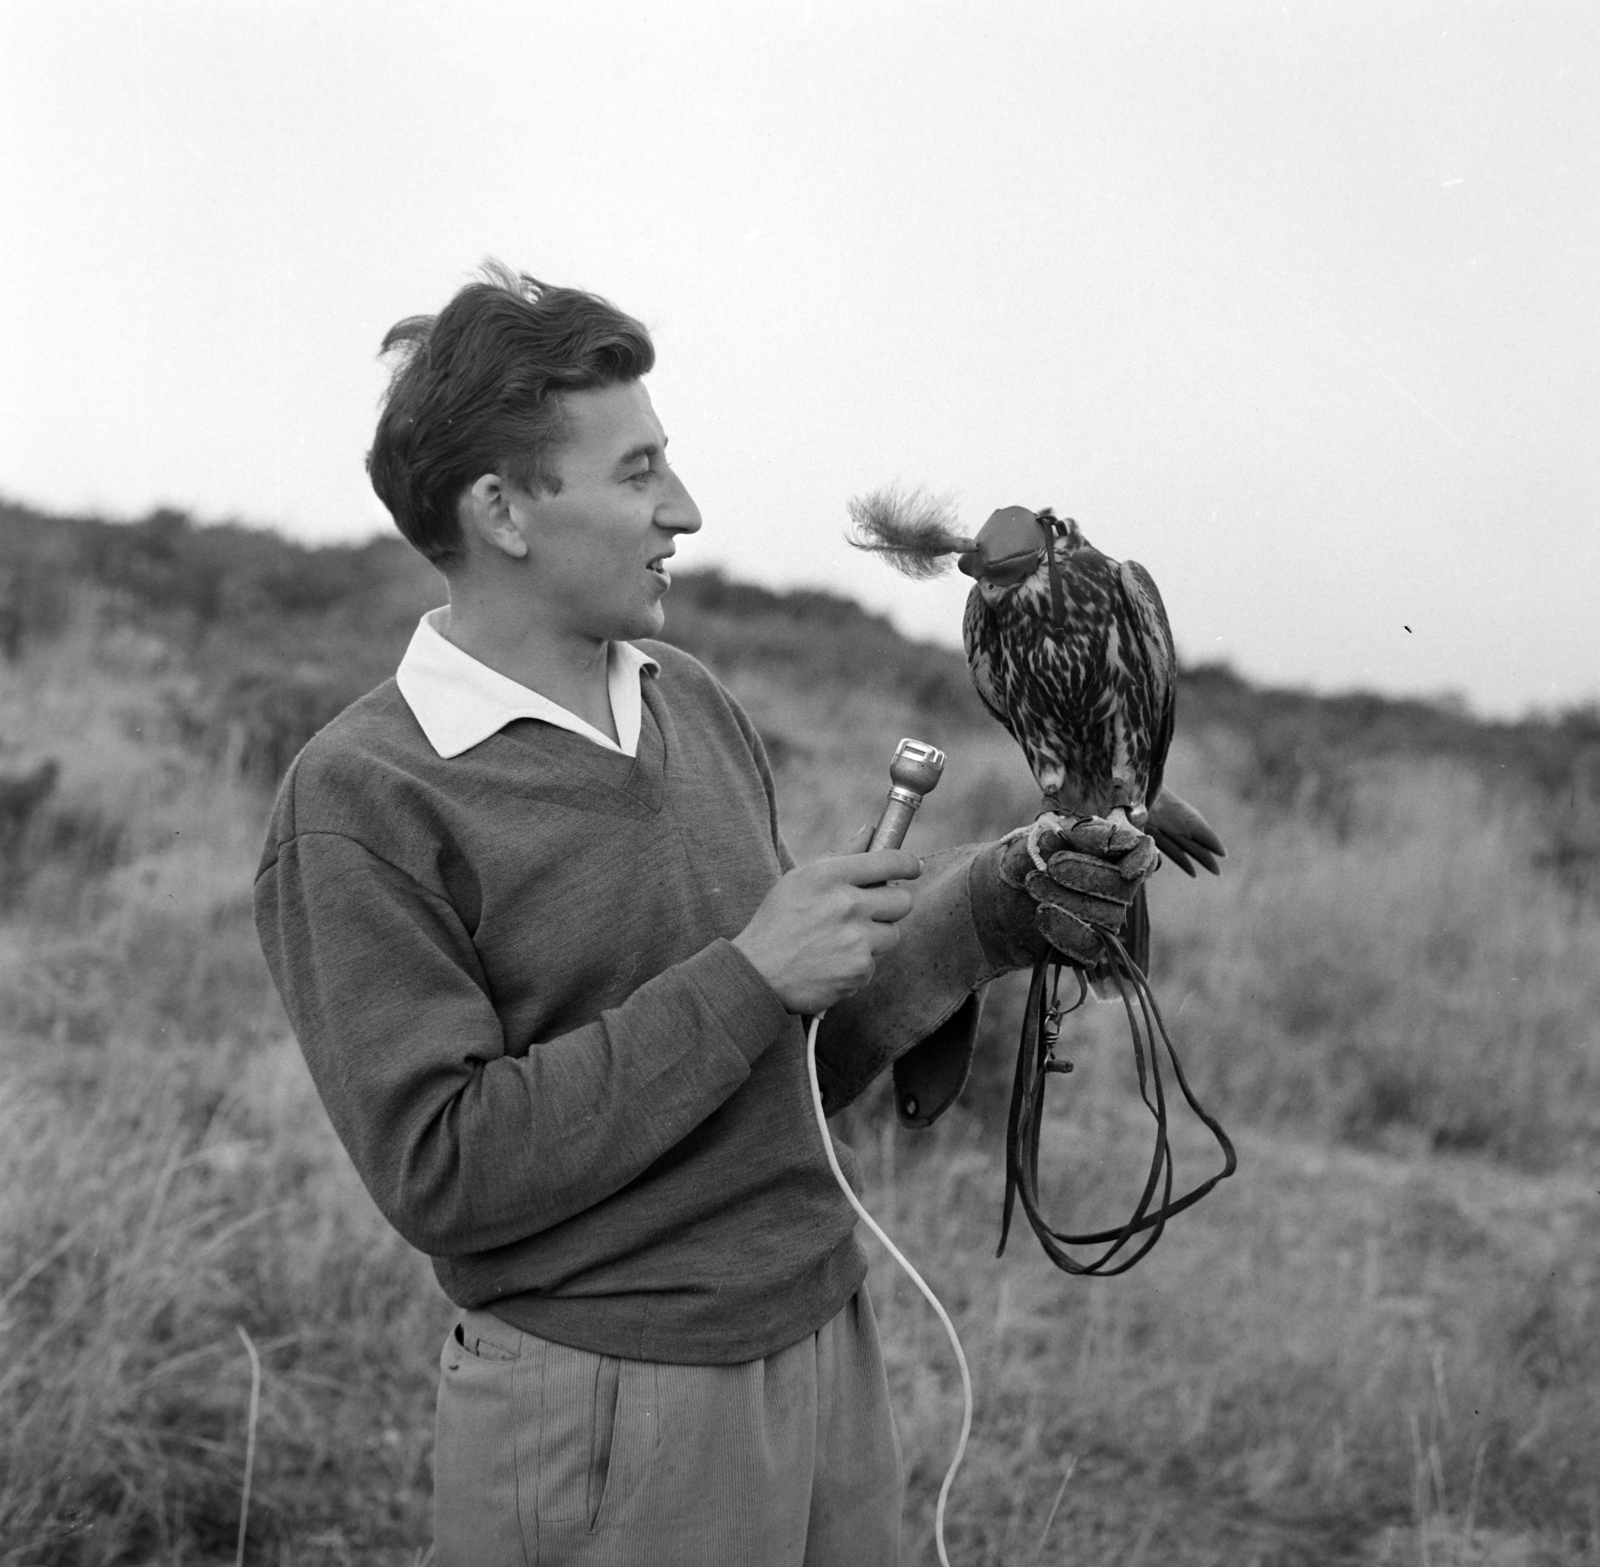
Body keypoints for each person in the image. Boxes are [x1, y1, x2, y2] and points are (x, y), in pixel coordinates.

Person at [253, 262, 1158, 1567]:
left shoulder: (694, 701)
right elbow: (445, 1171)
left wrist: (995, 907)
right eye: (635, 475)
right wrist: (747, 976)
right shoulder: (362, 796)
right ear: (502, 509)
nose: (685, 509)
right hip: (606, 1406)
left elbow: (787, 1057)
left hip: (828, 1348)